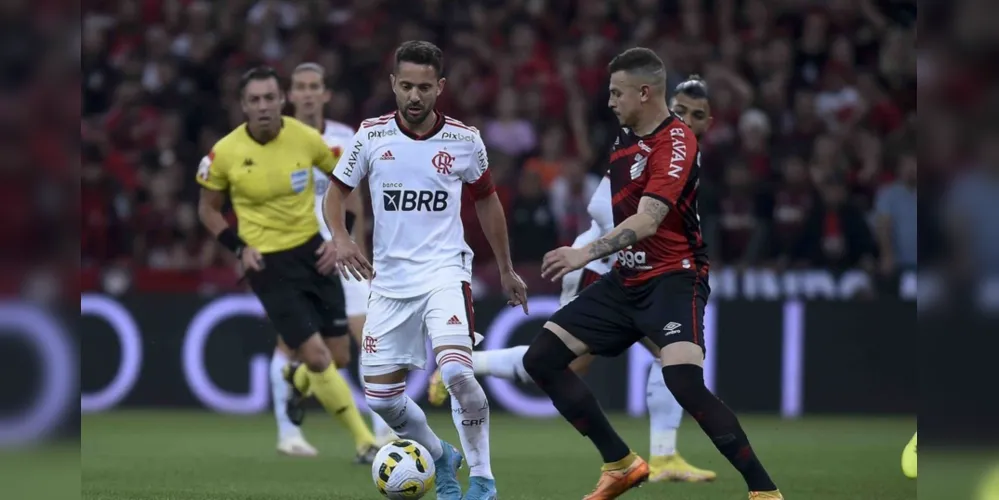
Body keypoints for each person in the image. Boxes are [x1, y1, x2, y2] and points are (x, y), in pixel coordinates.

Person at [425, 76, 718, 484]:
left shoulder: (684, 153)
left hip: (632, 270)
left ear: (709, 122)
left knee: (664, 353)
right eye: (681, 109)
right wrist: (637, 231)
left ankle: (665, 457)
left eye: (697, 115)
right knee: (569, 363)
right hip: (599, 267)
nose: (686, 119)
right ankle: (465, 365)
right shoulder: (646, 142)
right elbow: (601, 205)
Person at [523, 48, 783, 500]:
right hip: (626, 280)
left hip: (674, 278)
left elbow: (648, 220)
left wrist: (583, 253)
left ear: (644, 92)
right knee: (540, 359)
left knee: (682, 381)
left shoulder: (677, 141)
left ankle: (764, 492)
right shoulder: (625, 136)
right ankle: (621, 463)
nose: (609, 101)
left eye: (616, 92)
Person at [325, 41, 527, 500]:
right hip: (390, 281)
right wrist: (341, 237)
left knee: (457, 374)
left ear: (439, 87)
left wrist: (507, 269)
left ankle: (482, 479)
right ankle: (440, 455)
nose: (414, 96)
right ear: (393, 85)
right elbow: (336, 192)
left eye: (424, 87)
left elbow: (488, 201)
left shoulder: (464, 140)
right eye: (406, 86)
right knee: (380, 398)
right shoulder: (371, 137)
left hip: (444, 272)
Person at [196, 66, 378, 464]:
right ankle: (366, 442)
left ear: (282, 100)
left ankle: (297, 381)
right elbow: (207, 210)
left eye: (269, 98)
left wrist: (340, 239)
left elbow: (345, 191)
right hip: (267, 263)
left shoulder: (308, 140)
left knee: (339, 357)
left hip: (314, 252)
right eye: (254, 100)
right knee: (316, 356)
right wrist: (238, 247)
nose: (263, 106)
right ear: (244, 105)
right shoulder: (223, 153)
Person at [267, 62, 392, 458]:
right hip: (296, 257)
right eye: (299, 86)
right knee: (291, 344)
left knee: (366, 341)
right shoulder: (276, 140)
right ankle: (290, 435)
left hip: (343, 252)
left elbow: (356, 201)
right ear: (290, 95)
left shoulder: (344, 138)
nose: (306, 93)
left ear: (324, 94)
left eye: (314, 86)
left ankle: (385, 430)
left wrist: (360, 252)